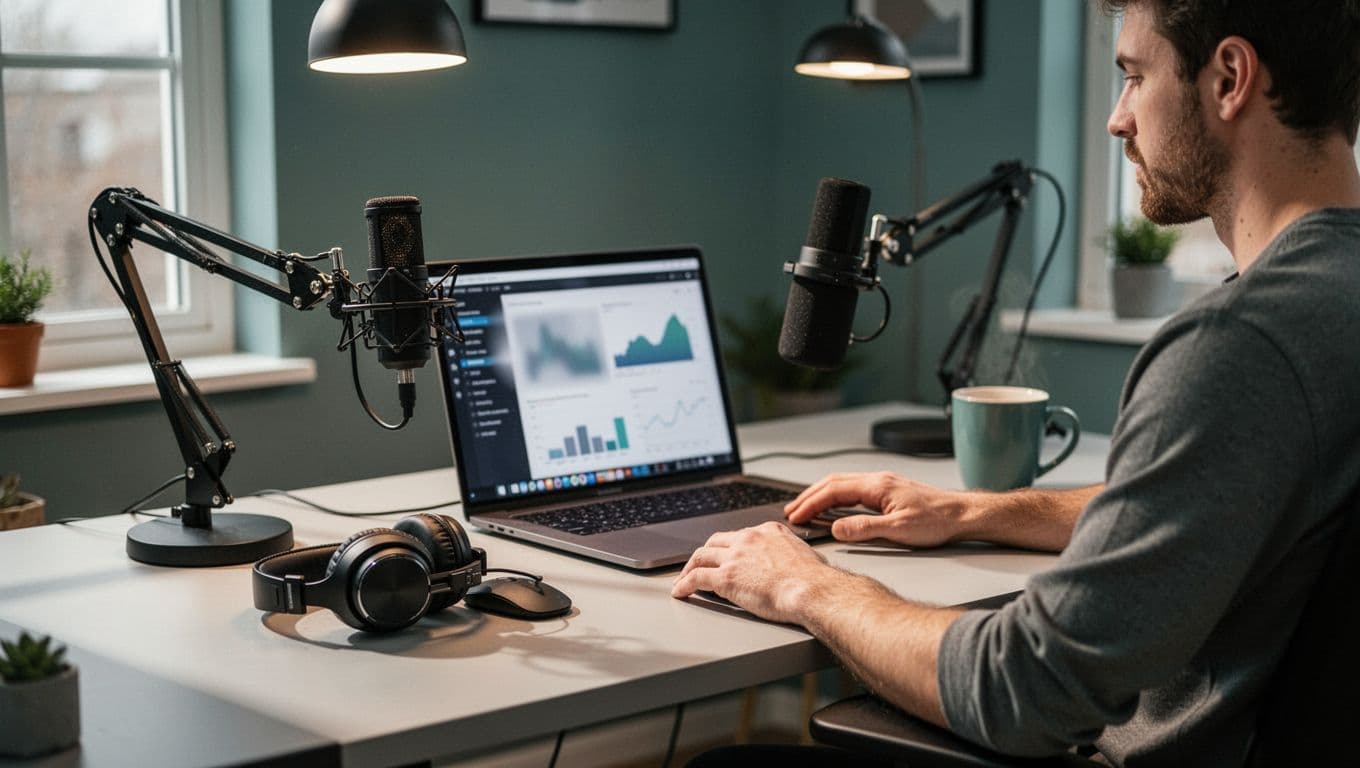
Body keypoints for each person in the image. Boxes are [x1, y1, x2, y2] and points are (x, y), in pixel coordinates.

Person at [674, 0, 1360, 763]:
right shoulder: (1330, 302)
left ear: (1229, 77)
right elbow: (1215, 501)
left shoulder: (1236, 345)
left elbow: (1027, 690)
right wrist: (974, 510)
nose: (1117, 119)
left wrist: (806, 585)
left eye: (1135, 76)